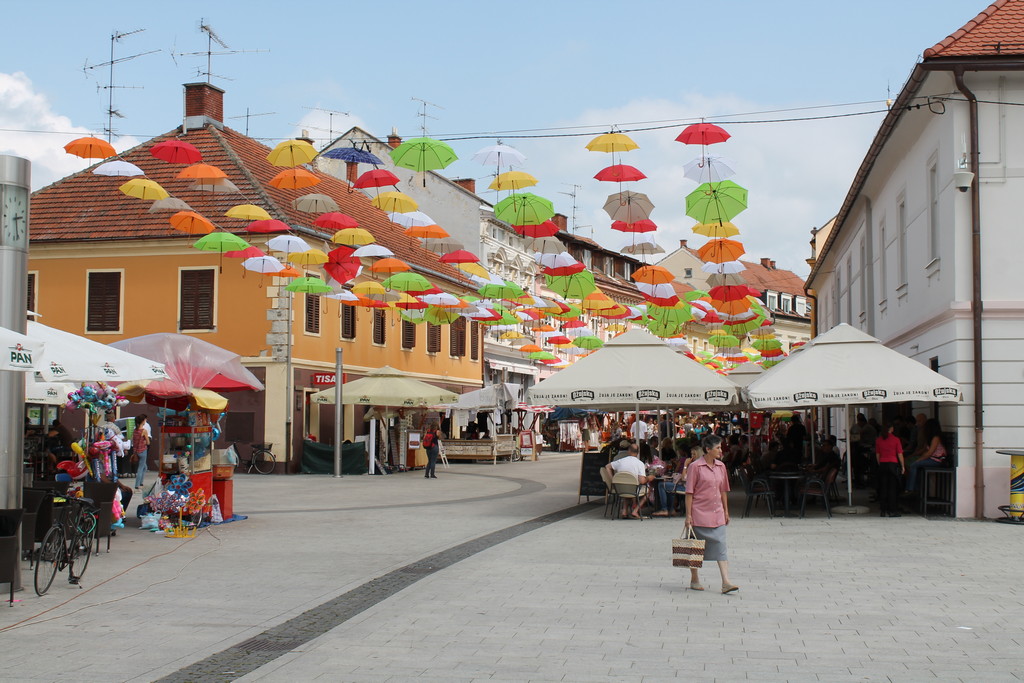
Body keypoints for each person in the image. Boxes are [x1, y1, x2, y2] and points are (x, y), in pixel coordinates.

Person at [684, 435, 739, 594]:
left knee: (721, 547)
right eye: (718, 448)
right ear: (708, 449)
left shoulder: (721, 466)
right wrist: (688, 516)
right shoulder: (695, 467)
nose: (721, 451)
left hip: (717, 514)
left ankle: (726, 582)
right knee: (696, 548)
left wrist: (726, 511)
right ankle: (694, 578)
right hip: (699, 514)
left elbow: (723, 490)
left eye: (721, 448)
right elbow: (689, 493)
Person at [604, 443, 652, 519]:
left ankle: (624, 511)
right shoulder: (640, 464)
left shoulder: (620, 461)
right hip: (633, 490)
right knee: (649, 490)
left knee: (627, 486)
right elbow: (642, 481)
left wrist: (613, 480)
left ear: (628, 451)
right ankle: (635, 511)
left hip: (620, 488)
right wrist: (649, 478)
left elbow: (607, 467)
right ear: (637, 452)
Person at [905, 418, 948, 494]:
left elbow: (929, 452)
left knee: (914, 465)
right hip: (932, 459)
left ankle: (910, 489)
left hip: (937, 460)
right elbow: (923, 449)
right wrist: (913, 455)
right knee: (914, 465)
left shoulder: (936, 438)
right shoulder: (930, 437)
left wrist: (919, 460)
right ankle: (916, 489)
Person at [875, 421, 905, 517]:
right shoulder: (896, 440)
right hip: (893, 464)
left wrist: (880, 463)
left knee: (883, 487)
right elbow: (900, 454)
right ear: (891, 429)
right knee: (892, 488)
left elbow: (877, 454)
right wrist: (903, 466)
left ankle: (883, 510)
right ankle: (892, 510)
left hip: (883, 464)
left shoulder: (879, 440)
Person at [132, 415, 151, 491]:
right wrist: (145, 441)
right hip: (143, 450)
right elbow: (148, 442)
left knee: (144, 467)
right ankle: (138, 484)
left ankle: (141, 483)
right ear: (143, 421)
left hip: (136, 451)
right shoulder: (144, 431)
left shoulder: (135, 431)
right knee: (140, 468)